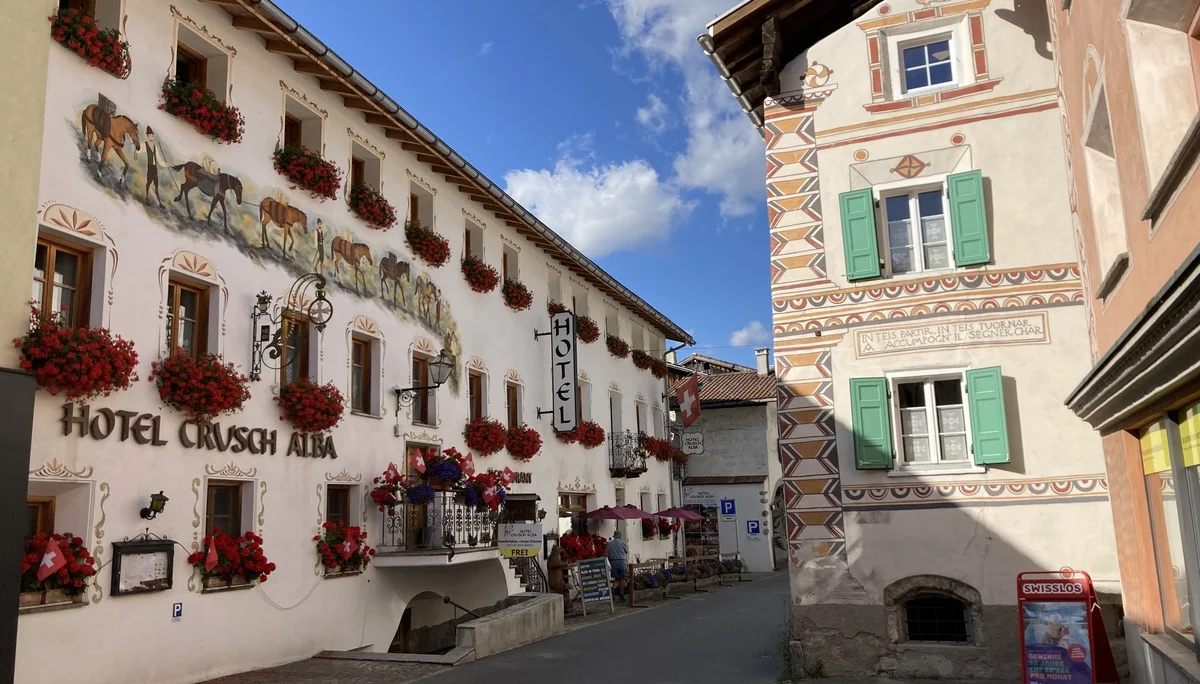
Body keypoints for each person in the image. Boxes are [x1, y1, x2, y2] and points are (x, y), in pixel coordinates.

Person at [606, 529, 629, 601]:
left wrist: (611, 562)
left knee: (616, 579)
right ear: (620, 536)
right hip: (622, 562)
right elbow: (626, 551)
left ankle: (613, 589)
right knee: (622, 579)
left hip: (613, 562)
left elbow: (607, 554)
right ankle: (621, 595)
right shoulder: (622, 543)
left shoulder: (609, 544)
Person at [144, 126, 163, 206]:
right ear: (147, 136)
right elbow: (139, 149)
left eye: (152, 135)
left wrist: (164, 163)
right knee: (148, 183)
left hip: (155, 168)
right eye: (150, 135)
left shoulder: (155, 147)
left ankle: (160, 202)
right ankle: (147, 197)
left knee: (156, 186)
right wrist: (136, 149)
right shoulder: (145, 144)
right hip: (150, 167)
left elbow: (158, 158)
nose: (151, 136)